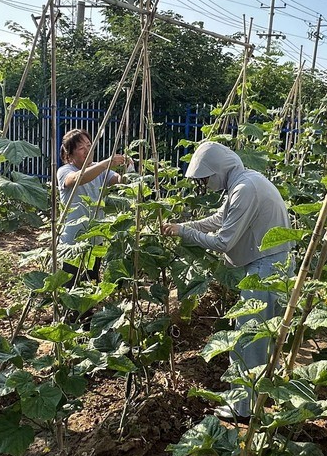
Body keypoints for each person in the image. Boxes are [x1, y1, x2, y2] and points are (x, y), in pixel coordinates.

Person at [161, 141, 293, 419]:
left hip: (265, 271)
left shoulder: (245, 189)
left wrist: (185, 234)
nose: (205, 183)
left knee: (248, 341)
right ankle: (256, 399)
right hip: (274, 266)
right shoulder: (246, 181)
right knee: (260, 340)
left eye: (206, 177)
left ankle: (243, 408)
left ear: (218, 169)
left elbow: (223, 241)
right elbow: (220, 218)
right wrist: (184, 226)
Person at [56, 129, 129, 288]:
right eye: (81, 148)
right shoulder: (65, 171)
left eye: (89, 145)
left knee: (92, 284)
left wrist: (127, 168)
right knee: (69, 285)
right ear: (70, 154)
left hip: (95, 239)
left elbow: (119, 181)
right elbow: (78, 179)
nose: (87, 150)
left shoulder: (99, 169)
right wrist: (105, 164)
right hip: (72, 242)